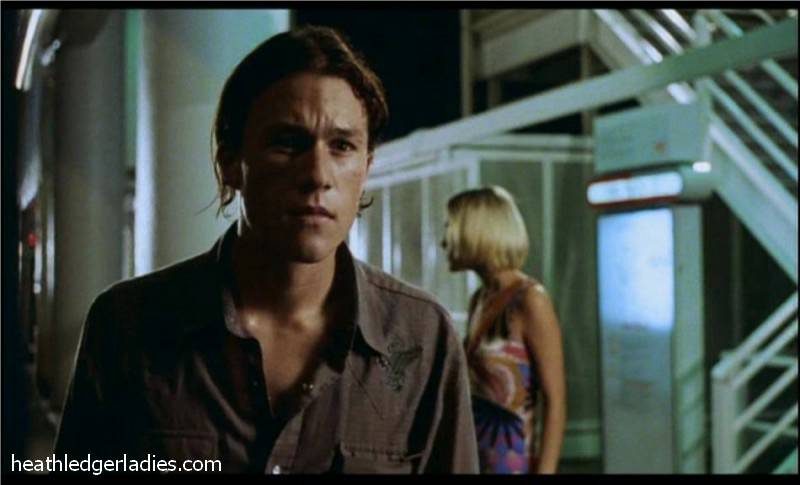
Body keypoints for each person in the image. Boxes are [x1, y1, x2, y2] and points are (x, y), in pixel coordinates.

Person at [54, 26, 479, 474]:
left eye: (342, 146)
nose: (318, 175)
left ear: (366, 168)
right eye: (288, 143)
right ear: (231, 163)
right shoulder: (126, 327)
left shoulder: (420, 338)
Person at [442, 186, 566, 474]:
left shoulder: (531, 300)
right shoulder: (480, 299)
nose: (444, 241)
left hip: (514, 464)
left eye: (450, 228)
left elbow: (556, 402)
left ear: (477, 232)